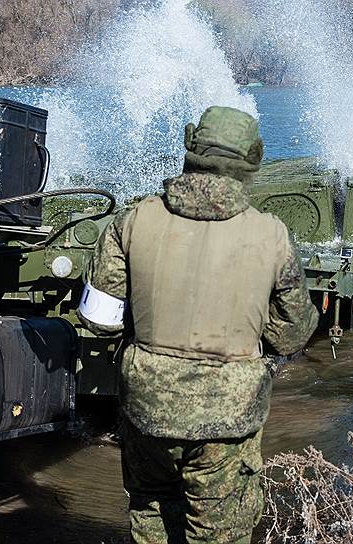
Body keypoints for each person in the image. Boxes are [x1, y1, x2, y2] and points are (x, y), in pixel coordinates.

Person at [78, 106, 319, 543]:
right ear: (253, 161)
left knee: (151, 515)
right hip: (228, 420)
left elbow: (98, 318)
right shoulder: (272, 236)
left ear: (190, 151)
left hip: (146, 408)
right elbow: (292, 334)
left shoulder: (131, 220)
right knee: (219, 533)